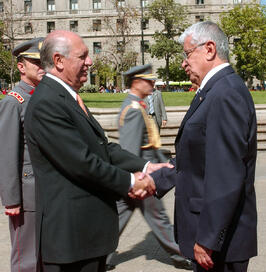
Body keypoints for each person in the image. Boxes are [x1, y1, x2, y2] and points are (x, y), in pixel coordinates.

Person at [24, 30, 171, 272]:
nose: (90, 62)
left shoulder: (66, 97)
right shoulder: (47, 103)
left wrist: (145, 166)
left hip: (86, 236)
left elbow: (103, 146)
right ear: (59, 61)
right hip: (71, 240)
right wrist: (131, 181)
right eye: (82, 56)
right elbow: (81, 163)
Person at [149, 21, 257, 272]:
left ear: (209, 49)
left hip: (222, 244)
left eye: (187, 54)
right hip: (215, 237)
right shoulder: (213, 92)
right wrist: (156, 179)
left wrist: (208, 239)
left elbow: (226, 174)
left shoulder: (225, 94)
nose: (183, 63)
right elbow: (195, 157)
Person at [105, 64, 192, 271]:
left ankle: (100, 254)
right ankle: (181, 256)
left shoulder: (138, 105)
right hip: (142, 176)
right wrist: (137, 180)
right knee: (159, 219)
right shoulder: (134, 110)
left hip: (143, 172)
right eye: (149, 80)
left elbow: (149, 143)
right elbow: (129, 150)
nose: (153, 83)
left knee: (119, 217)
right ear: (137, 83)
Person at [0, 37, 45, 272]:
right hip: (26, 193)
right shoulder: (13, 102)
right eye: (36, 62)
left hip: (46, 188)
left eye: (44, 62)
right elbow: (6, 155)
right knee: (25, 259)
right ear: (21, 67)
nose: (42, 67)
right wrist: (11, 200)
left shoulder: (41, 98)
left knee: (43, 254)